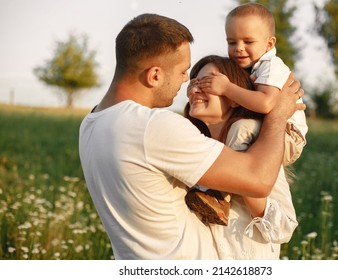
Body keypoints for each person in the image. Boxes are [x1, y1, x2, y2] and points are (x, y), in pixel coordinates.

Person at [78, 13, 305, 260]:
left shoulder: (91, 125)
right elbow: (258, 179)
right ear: (154, 75)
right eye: (185, 72)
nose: (188, 82)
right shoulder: (152, 128)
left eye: (205, 82)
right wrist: (278, 113)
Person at [185, 3, 308, 226]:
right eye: (232, 42)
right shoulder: (249, 68)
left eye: (248, 42)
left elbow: (266, 104)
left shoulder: (271, 66)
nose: (238, 48)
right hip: (270, 127)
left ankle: (220, 192)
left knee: (242, 128)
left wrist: (226, 88)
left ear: (270, 43)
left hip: (288, 132)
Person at [184, 55, 298, 259]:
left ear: (235, 97)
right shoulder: (193, 148)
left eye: (207, 82)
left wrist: (243, 182)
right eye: (193, 83)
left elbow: (283, 228)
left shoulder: (252, 138)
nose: (194, 90)